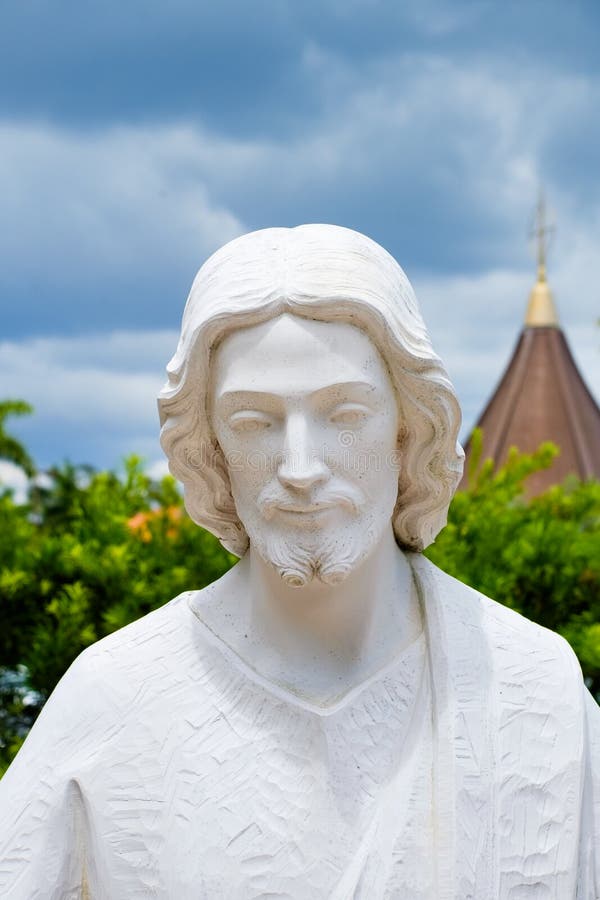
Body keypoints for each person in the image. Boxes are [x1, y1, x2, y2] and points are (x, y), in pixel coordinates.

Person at [0, 225, 598, 899]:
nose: (301, 468)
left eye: (344, 413)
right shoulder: (115, 702)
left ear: (409, 428)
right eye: (254, 421)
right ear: (211, 448)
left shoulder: (530, 690)